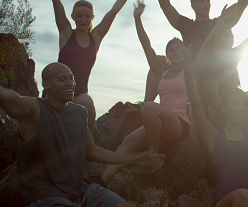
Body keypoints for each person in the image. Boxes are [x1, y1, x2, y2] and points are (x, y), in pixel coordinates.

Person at [101, 0, 239, 184]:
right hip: (157, 121)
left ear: (186, 50)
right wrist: (137, 19)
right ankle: (101, 180)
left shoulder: (193, 71)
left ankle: (153, 154)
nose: (174, 51)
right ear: (167, 55)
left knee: (149, 106)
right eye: (170, 49)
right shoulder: (162, 72)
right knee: (128, 140)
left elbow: (207, 45)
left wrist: (221, 22)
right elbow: (146, 45)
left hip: (178, 124)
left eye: (178, 47)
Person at [0, 62, 163, 206]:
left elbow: (92, 151)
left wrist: (136, 159)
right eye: (62, 79)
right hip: (46, 196)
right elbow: (8, 97)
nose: (70, 83)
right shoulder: (34, 109)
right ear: (46, 85)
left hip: (83, 191)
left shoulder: (79, 113)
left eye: (71, 78)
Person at [37, 0, 142, 131]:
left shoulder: (96, 38)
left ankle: (88, 147)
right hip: (55, 93)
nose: (83, 20)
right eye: (79, 16)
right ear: (73, 17)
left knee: (87, 103)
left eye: (87, 16)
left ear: (92, 18)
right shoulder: (65, 33)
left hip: (78, 94)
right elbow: (56, 1)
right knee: (47, 119)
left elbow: (113, 11)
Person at [181, 6, 248, 207]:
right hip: (218, 106)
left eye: (232, 35)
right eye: (226, 35)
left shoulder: (234, 54)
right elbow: (198, 95)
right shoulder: (210, 60)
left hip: (235, 101)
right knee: (213, 92)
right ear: (218, 38)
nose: (231, 38)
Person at [147, 0, 248, 114]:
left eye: (208, 1)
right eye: (201, 1)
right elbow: (165, 5)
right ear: (193, 5)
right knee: (159, 62)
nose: (206, 4)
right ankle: (146, 106)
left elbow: (242, 4)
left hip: (219, 76)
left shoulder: (220, 22)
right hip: (194, 76)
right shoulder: (187, 25)